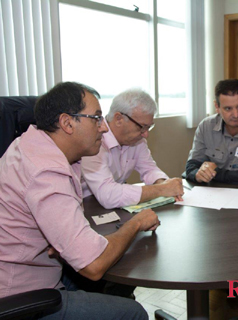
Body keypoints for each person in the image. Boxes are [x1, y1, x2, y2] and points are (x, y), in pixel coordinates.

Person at [0, 82, 159, 319]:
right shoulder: (47, 173)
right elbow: (94, 265)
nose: (104, 128)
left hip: (29, 267)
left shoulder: (28, 145)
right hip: (24, 294)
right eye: (96, 118)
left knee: (114, 282)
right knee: (132, 312)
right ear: (67, 123)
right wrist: (136, 223)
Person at [81, 88, 183, 210]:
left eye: (148, 127)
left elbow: (149, 169)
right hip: (85, 207)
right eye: (142, 127)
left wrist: (163, 183)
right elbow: (108, 195)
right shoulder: (94, 140)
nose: (145, 134)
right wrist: (161, 189)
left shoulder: (137, 141)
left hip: (115, 206)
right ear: (119, 119)